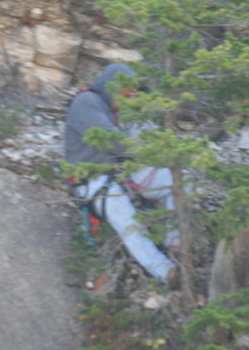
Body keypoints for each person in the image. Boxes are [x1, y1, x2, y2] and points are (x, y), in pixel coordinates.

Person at [64, 63, 180, 288]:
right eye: (126, 91)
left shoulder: (115, 112)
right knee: (128, 222)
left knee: (177, 179)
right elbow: (111, 142)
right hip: (93, 179)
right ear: (111, 86)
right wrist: (151, 150)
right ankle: (167, 273)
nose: (130, 96)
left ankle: (176, 246)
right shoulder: (87, 102)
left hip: (123, 173)